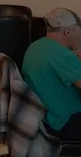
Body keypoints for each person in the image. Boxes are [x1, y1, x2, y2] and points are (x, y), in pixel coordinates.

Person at [22, 8, 81, 139]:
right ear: (68, 31)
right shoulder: (62, 55)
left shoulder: (34, 47)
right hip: (63, 121)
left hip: (41, 118)